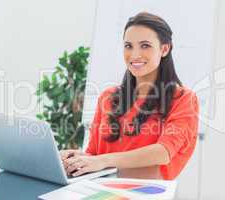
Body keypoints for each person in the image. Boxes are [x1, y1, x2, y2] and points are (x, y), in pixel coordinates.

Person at [60, 12, 199, 180]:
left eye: (145, 45)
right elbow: (95, 155)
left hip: (142, 193)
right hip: (98, 190)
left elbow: (163, 152)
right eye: (128, 46)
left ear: (164, 49)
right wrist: (76, 161)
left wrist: (102, 160)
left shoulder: (183, 99)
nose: (134, 54)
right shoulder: (108, 97)